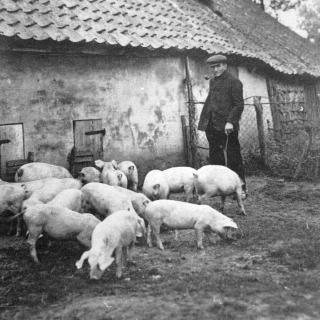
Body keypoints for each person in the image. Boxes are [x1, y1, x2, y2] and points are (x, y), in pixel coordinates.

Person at [198, 54, 247, 198]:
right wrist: (206, 121)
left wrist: (231, 121)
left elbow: (239, 105)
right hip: (212, 124)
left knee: (233, 156)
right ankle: (218, 188)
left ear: (225, 66)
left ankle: (241, 188)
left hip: (227, 125)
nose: (215, 69)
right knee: (215, 157)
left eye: (218, 66)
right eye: (212, 67)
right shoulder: (213, 81)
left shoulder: (234, 82)